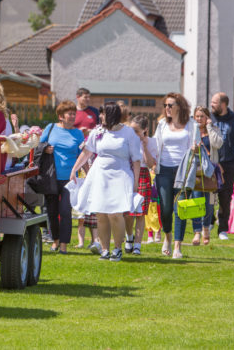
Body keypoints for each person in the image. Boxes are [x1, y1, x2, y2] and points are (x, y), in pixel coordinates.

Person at [70, 102, 141, 262]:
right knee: (101, 214)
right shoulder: (98, 132)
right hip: (100, 175)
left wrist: (135, 182)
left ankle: (117, 248)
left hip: (120, 174)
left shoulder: (128, 133)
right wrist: (75, 169)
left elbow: (136, 160)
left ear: (111, 115)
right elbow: (87, 151)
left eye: (103, 114)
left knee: (115, 214)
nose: (100, 116)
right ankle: (104, 249)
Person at [154, 93, 200, 258]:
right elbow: (155, 145)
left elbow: (197, 145)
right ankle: (167, 236)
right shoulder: (161, 125)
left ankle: (177, 247)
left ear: (179, 107)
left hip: (183, 170)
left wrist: (196, 149)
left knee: (180, 209)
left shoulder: (191, 125)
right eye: (165, 105)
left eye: (170, 105)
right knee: (165, 209)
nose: (167, 108)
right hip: (164, 170)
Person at [40, 100, 84, 254]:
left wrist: (89, 173)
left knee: (65, 211)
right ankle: (55, 240)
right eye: (69, 114)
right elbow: (38, 146)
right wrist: (45, 149)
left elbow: (82, 156)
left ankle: (64, 244)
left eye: (74, 113)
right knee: (51, 211)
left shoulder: (78, 133)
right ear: (61, 116)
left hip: (70, 178)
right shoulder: (50, 129)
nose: (72, 116)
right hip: (51, 176)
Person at [210, 92, 234, 240]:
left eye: (214, 102)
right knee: (209, 195)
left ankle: (222, 229)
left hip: (228, 164)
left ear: (223, 105)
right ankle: (209, 221)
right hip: (211, 163)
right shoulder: (209, 118)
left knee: (225, 198)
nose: (211, 105)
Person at [124, 115, 158, 255]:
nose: (133, 133)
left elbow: (151, 164)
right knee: (127, 212)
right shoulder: (127, 140)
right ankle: (129, 237)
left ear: (144, 130)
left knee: (140, 213)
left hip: (144, 174)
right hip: (129, 174)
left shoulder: (151, 142)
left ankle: (137, 244)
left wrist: (144, 146)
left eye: (136, 131)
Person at [73, 88, 101, 252]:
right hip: (77, 155)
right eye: (85, 97)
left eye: (90, 96)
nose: (88, 99)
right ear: (78, 97)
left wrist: (89, 132)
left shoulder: (94, 112)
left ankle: (94, 237)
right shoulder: (72, 112)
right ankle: (81, 239)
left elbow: (99, 130)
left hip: (92, 154)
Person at [191, 106, 223, 245]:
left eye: (202, 116)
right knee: (196, 202)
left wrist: (209, 128)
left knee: (209, 204)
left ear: (207, 118)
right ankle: (197, 232)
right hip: (196, 171)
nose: (199, 119)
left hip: (210, 173)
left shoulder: (214, 129)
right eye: (197, 116)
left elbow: (218, 144)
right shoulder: (192, 131)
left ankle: (206, 229)